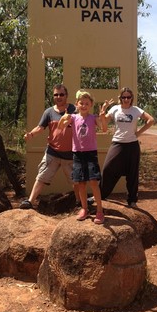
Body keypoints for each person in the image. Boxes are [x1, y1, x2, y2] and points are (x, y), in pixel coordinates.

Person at [21, 84, 78, 209]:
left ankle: (81, 203)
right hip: (52, 152)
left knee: (76, 181)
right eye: (56, 94)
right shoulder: (49, 112)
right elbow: (40, 127)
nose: (58, 97)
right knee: (41, 177)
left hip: (70, 154)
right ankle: (30, 201)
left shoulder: (74, 110)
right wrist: (30, 134)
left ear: (66, 96)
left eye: (61, 94)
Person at [58, 90, 109, 224]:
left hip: (90, 153)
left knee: (93, 182)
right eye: (81, 103)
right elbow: (61, 126)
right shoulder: (73, 118)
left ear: (91, 104)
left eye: (87, 103)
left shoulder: (93, 118)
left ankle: (99, 210)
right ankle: (84, 209)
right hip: (77, 154)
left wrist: (103, 117)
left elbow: (104, 129)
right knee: (80, 183)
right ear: (77, 104)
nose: (84, 105)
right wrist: (64, 118)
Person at [99, 87, 154, 207]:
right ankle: (100, 195)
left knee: (132, 173)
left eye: (128, 97)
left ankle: (132, 200)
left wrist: (138, 133)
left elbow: (151, 120)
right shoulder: (115, 109)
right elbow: (104, 125)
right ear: (120, 98)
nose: (126, 99)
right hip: (117, 143)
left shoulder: (135, 110)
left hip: (132, 145)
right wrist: (103, 112)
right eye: (124, 97)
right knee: (108, 169)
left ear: (131, 98)